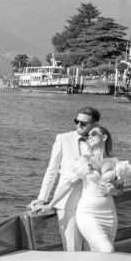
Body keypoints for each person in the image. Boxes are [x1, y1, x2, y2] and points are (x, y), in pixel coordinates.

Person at [27, 106, 102, 250]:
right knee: (72, 250)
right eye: (76, 121)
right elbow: (52, 170)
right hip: (67, 203)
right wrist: (43, 198)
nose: (79, 125)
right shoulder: (63, 139)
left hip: (91, 204)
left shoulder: (100, 143)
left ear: (95, 124)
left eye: (83, 123)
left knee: (93, 251)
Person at [59, 125, 131, 252]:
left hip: (109, 215)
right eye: (88, 136)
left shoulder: (116, 162)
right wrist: (49, 205)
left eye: (94, 134)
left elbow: (121, 190)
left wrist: (114, 191)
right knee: (108, 250)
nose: (90, 137)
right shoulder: (84, 160)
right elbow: (69, 185)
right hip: (88, 213)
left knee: (97, 255)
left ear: (104, 137)